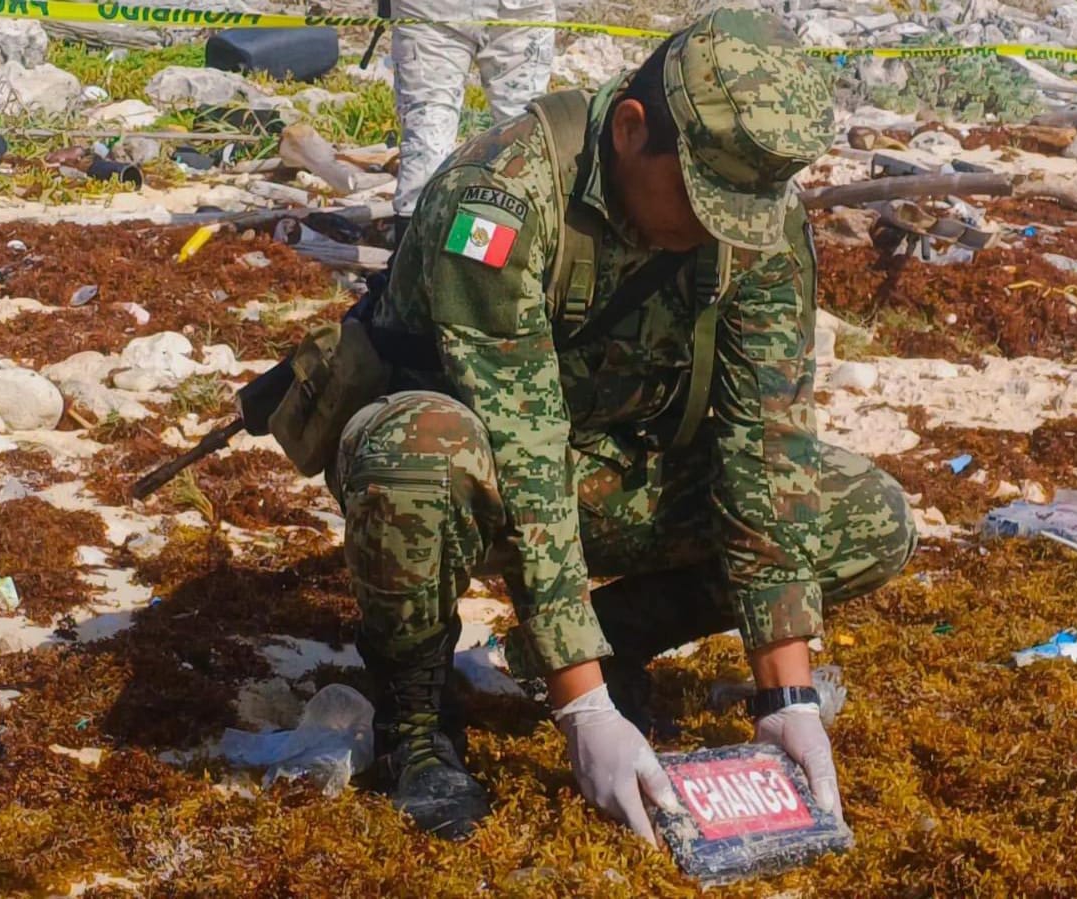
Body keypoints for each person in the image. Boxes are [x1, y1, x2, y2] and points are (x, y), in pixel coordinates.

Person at [336, 7, 918, 841]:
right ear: (631, 131)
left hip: (619, 470)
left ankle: (597, 642)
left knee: (866, 516)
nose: (718, 227)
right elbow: (523, 449)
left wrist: (783, 693)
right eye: (699, 196)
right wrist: (586, 715)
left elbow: (766, 444)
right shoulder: (501, 196)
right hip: (486, 481)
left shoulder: (754, 218)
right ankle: (415, 719)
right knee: (414, 451)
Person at [382, 0, 557, 242]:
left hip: (432, 10)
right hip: (519, 10)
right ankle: (516, 262)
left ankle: (412, 267)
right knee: (524, 138)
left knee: (427, 137)